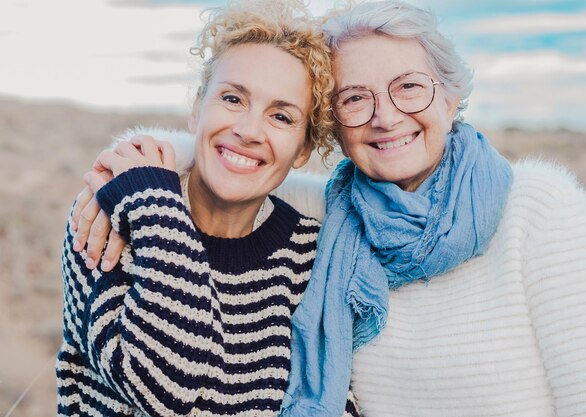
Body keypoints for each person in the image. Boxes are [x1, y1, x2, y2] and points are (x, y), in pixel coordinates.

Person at [73, 1, 586, 416]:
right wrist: (136, 174)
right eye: (355, 97)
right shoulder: (337, 213)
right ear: (333, 129)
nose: (385, 116)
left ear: (453, 95)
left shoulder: (538, 208)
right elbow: (240, 156)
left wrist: (144, 175)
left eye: (410, 88)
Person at [56, 1, 361, 416]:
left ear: (304, 149)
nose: (249, 131)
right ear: (198, 107)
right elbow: (167, 389)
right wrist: (156, 210)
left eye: (281, 116)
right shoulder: (113, 220)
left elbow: (334, 398)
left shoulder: (310, 256)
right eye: (233, 98)